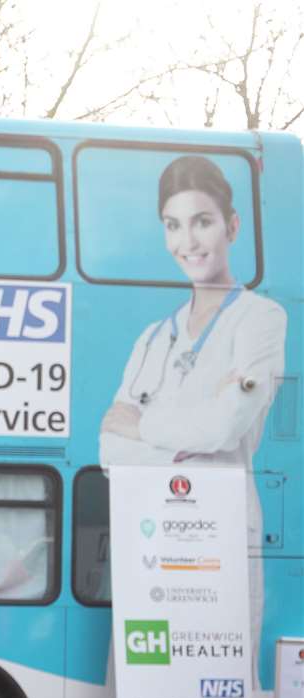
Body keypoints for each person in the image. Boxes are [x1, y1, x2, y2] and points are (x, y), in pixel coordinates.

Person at [100, 153, 287, 655]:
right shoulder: (152, 337)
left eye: (202, 221)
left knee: (219, 687)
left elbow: (225, 429)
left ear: (231, 226)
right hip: (154, 544)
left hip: (219, 541)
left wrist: (144, 425)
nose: (188, 242)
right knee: (147, 687)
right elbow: (109, 449)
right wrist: (188, 435)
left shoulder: (260, 320)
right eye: (173, 225)